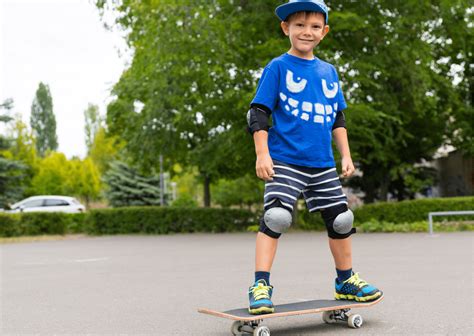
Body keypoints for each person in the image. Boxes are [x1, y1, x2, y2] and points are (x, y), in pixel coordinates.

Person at [246, 0, 383, 315]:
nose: (307, 32)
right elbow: (258, 113)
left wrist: (345, 155)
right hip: (285, 160)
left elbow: (338, 118)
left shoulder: (329, 71)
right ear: (286, 28)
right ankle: (260, 284)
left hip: (322, 163)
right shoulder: (278, 67)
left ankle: (345, 280)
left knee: (341, 220)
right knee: (276, 217)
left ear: (324, 32)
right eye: (299, 25)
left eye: (314, 26)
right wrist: (262, 153)